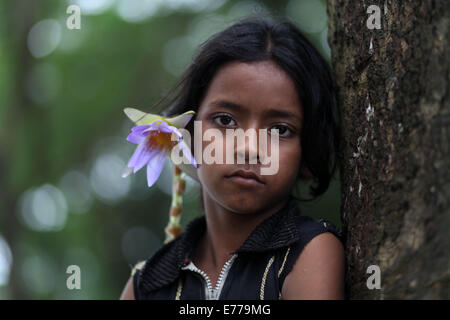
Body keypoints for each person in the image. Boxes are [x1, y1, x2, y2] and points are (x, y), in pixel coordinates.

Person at [120, 15, 345, 300]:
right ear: (186, 136)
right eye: (225, 120)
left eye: (279, 129)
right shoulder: (146, 285)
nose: (249, 148)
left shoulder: (310, 253)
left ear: (308, 155)